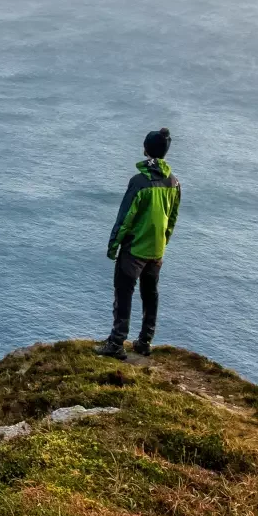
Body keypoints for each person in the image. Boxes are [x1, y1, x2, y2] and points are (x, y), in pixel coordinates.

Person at [98, 128, 181, 359]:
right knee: (150, 294)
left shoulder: (139, 182)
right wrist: (163, 241)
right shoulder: (174, 182)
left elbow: (125, 218)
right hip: (156, 249)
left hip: (134, 249)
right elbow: (172, 217)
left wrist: (113, 245)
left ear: (146, 150)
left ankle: (116, 342)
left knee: (124, 293)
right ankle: (145, 341)